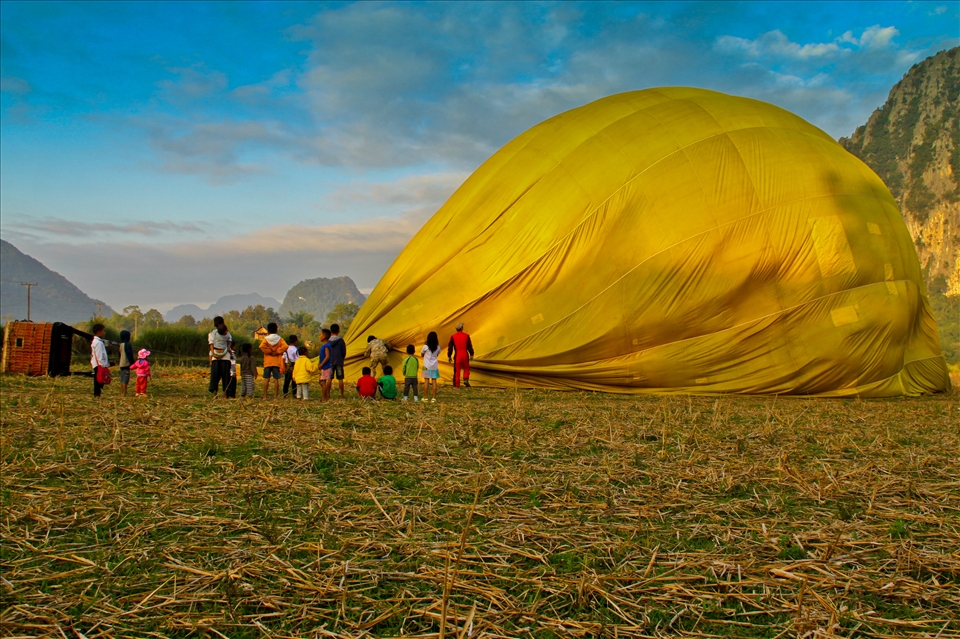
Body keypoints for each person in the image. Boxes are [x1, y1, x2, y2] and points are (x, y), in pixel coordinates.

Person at [259, 322, 288, 400]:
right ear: (276, 330)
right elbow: (285, 346)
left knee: (266, 379)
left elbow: (261, 346)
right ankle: (275, 396)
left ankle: (265, 396)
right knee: (276, 379)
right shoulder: (280, 339)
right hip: (276, 361)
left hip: (268, 361)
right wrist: (278, 351)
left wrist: (269, 351)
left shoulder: (266, 339)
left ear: (268, 330)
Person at [208, 318, 234, 397]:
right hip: (222, 355)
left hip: (220, 354)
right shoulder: (214, 333)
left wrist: (213, 354)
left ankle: (216, 393)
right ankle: (224, 394)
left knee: (215, 375)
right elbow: (229, 343)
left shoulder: (223, 333)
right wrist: (216, 353)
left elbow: (211, 344)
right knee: (225, 375)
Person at [447, 322, 475, 388]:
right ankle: (465, 379)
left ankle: (457, 385)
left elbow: (450, 347)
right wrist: (471, 354)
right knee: (466, 368)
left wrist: (449, 355)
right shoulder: (467, 336)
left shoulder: (453, 337)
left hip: (457, 355)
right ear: (462, 328)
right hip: (465, 354)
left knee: (457, 370)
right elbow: (469, 346)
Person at [421, 331, 441, 403]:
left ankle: (425, 397)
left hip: (426, 366)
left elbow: (422, 354)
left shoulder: (425, 347)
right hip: (434, 366)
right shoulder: (438, 347)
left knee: (426, 381)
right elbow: (437, 354)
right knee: (434, 381)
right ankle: (434, 398)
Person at [90, 323, 110, 398]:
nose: (104, 333)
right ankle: (97, 394)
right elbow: (99, 355)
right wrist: (103, 365)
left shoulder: (97, 341)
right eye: (103, 331)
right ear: (98, 332)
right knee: (99, 380)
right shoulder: (98, 343)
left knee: (98, 379)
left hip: (97, 364)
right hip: (99, 364)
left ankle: (97, 394)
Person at [328, 323, 347, 399]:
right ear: (339, 331)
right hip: (339, 361)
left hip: (330, 362)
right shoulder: (341, 340)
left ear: (331, 331)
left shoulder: (328, 341)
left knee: (329, 378)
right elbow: (344, 351)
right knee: (340, 378)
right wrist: (342, 358)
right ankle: (342, 395)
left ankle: (328, 395)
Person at [318, 328, 333, 401]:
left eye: (320, 334)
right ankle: (325, 396)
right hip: (325, 366)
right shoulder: (325, 345)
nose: (319, 336)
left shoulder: (326, 346)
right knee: (324, 381)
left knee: (323, 381)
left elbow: (327, 356)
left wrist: (321, 364)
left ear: (324, 336)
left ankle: (324, 397)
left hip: (325, 367)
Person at [118, 330, 134, 397]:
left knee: (122, 379)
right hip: (126, 364)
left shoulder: (121, 345)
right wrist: (132, 363)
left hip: (121, 364)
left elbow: (119, 354)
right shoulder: (127, 345)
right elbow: (129, 354)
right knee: (125, 379)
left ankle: (122, 392)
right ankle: (124, 393)